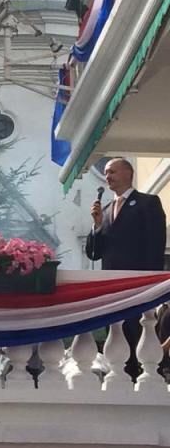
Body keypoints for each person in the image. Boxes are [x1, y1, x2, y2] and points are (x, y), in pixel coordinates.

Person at [86, 157, 167, 380]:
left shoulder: (147, 203)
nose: (107, 176)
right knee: (119, 331)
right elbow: (94, 253)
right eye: (105, 172)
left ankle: (150, 377)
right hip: (114, 285)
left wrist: (151, 281)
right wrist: (97, 225)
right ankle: (124, 374)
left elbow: (155, 243)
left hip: (137, 283)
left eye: (112, 171)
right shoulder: (106, 209)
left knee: (140, 330)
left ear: (128, 174)